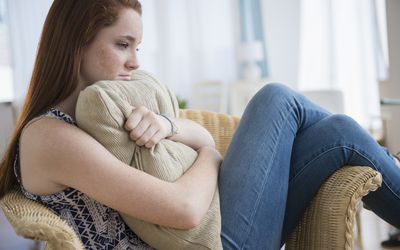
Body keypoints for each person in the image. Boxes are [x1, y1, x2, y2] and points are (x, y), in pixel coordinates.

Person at [0, 1, 399, 249]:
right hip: (209, 242)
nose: (136, 62)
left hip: (213, 230)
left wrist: (168, 125)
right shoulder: (49, 137)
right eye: (122, 44)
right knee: (276, 99)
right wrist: (209, 156)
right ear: (75, 43)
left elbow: (200, 134)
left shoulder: (100, 113)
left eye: (137, 47)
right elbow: (186, 209)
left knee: (336, 133)